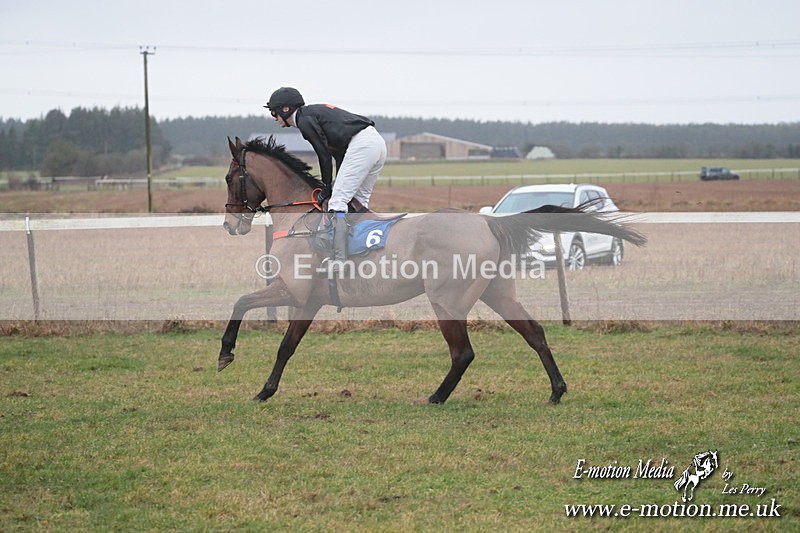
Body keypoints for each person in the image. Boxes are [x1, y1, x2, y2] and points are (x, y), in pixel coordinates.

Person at [264, 87, 387, 269]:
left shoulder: (304, 120)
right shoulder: (309, 115)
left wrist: (327, 187)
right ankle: (363, 253)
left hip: (363, 145)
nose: (274, 117)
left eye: (274, 112)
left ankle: (340, 260)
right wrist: (331, 185)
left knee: (337, 203)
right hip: (376, 144)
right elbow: (337, 156)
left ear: (285, 109)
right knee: (357, 202)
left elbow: (323, 155)